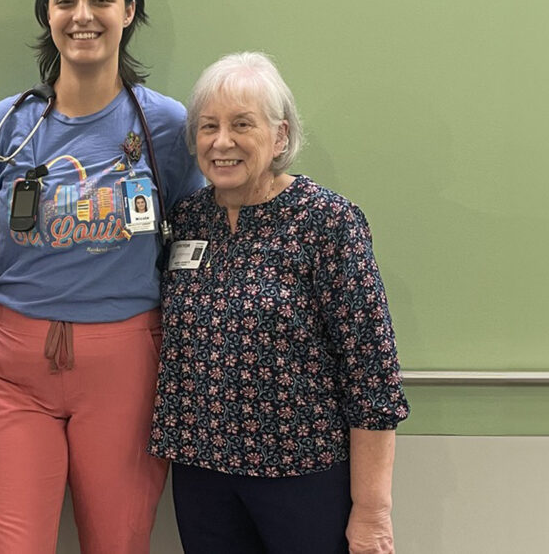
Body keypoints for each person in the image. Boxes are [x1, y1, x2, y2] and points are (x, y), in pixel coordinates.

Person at [0, 0, 205, 553]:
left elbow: (199, 246)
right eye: (66, 0)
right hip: (13, 369)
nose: (83, 16)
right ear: (47, 13)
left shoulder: (168, 126)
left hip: (126, 367)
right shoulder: (5, 125)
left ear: (129, 11)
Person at [148, 52, 410, 554]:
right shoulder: (187, 219)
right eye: (208, 126)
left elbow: (372, 373)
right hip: (201, 473)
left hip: (302, 475)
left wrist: (373, 511)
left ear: (280, 136)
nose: (221, 142)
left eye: (241, 124)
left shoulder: (328, 223)